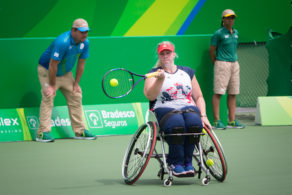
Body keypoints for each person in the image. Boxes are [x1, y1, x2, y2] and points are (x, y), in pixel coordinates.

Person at [144, 41, 211, 177]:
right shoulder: (153, 74)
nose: (165, 56)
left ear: (174, 54)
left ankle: (188, 162)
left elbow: (198, 97)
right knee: (177, 125)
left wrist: (203, 116)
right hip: (165, 109)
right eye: (162, 54)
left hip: (188, 107)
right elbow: (150, 95)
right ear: (159, 56)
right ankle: (176, 163)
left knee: (194, 123)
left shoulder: (187, 72)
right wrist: (160, 80)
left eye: (168, 53)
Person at [36, 18, 97, 142]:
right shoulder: (62, 42)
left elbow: (81, 63)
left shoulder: (85, 43)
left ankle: (80, 131)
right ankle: (42, 133)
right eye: (82, 31)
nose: (85, 34)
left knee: (76, 95)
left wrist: (76, 84)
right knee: (48, 95)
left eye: (87, 31)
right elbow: (53, 65)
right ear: (73, 30)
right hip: (47, 71)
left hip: (65, 73)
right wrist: (52, 85)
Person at [209, 9, 245, 130]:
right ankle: (216, 121)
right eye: (228, 17)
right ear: (223, 19)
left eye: (233, 17)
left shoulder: (236, 32)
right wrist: (218, 63)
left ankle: (232, 121)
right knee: (219, 92)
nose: (231, 20)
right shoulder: (218, 33)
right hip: (222, 63)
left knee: (233, 93)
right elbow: (211, 51)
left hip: (235, 64)